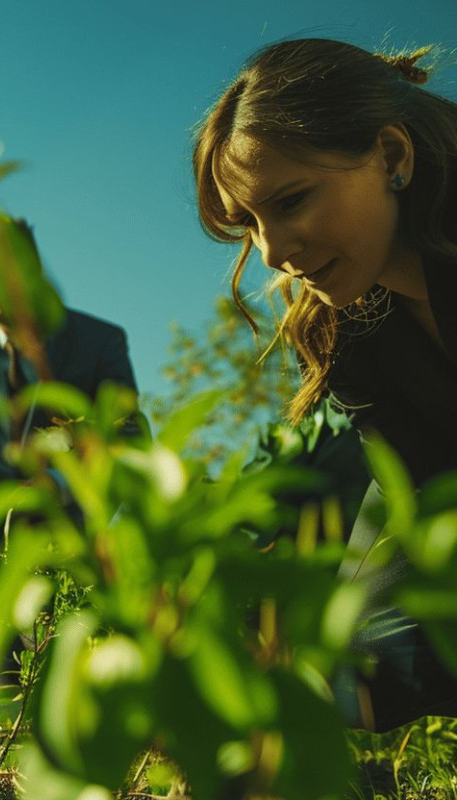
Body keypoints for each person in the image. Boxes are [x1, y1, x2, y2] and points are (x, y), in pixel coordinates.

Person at [193, 38, 457, 730]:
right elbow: (421, 501)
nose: (273, 252)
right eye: (250, 223)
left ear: (392, 157)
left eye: (291, 200)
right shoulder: (354, 331)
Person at [0, 221, 138, 490]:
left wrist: (58, 483)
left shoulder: (101, 342)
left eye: (2, 284)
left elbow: (127, 436)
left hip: (65, 516)